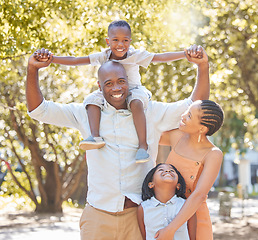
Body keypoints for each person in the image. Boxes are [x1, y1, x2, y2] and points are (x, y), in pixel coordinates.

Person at [26, 44, 210, 240]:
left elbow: (195, 106)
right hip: (98, 216)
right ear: (99, 86)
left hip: (138, 217)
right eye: (109, 83)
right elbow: (39, 110)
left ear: (129, 82)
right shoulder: (85, 113)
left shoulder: (151, 112)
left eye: (122, 81)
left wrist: (203, 67)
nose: (117, 88)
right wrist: (32, 69)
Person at [34, 19, 202, 163]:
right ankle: (95, 136)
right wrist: (52, 59)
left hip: (134, 90)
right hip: (111, 90)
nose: (120, 45)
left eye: (125, 41)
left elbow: (160, 57)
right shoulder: (104, 55)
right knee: (91, 100)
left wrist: (185, 54)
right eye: (115, 40)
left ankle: (143, 146)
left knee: (135, 103)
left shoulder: (135, 55)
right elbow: (77, 60)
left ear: (130, 41)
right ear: (108, 41)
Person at [155, 100, 224, 240]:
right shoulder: (176, 136)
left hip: (195, 221)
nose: (183, 115)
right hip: (164, 214)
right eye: (187, 111)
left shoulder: (213, 154)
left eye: (190, 115)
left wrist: (171, 229)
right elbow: (150, 136)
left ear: (202, 129)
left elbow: (198, 195)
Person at [137, 163, 195, 240]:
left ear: (178, 185)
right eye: (161, 170)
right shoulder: (143, 208)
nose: (168, 171)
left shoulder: (186, 205)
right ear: (151, 184)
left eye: (172, 170)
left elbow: (192, 237)